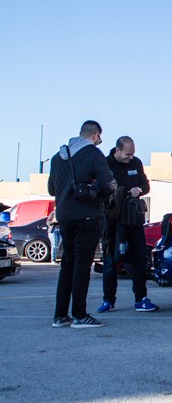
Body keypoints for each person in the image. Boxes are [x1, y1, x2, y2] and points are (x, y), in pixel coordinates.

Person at [48, 120, 117, 328]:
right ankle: (79, 314)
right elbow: (109, 185)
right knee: (82, 266)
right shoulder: (95, 155)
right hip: (87, 216)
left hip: (65, 217)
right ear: (95, 135)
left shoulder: (57, 157)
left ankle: (60, 316)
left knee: (67, 265)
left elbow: (52, 189)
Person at [98, 136, 159, 313]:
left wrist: (139, 190)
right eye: (127, 154)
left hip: (134, 219)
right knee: (111, 260)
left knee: (139, 259)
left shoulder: (136, 163)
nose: (130, 157)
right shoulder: (105, 164)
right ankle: (108, 300)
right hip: (113, 220)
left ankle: (140, 299)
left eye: (133, 154)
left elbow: (145, 185)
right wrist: (123, 192)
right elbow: (102, 189)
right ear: (117, 150)